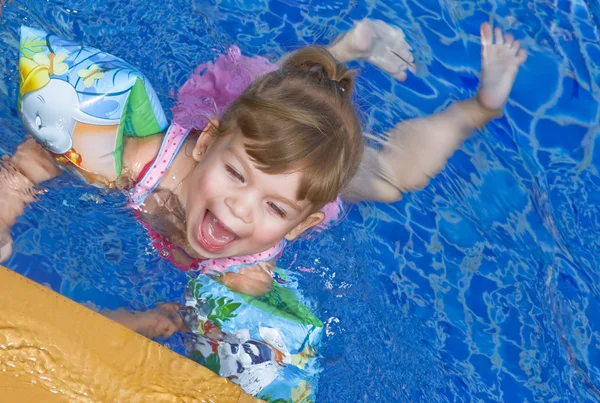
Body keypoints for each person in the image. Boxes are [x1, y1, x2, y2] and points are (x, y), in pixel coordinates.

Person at [0, 20, 526, 401]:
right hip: (246, 134)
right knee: (267, 108)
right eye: (234, 175)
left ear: (301, 227)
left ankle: (478, 108)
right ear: (203, 147)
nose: (238, 209)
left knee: (386, 179)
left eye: (273, 208)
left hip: (298, 176)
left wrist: (153, 320)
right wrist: (14, 194)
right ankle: (343, 48)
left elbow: (200, 326)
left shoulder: (246, 277)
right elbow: (39, 156)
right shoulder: (143, 163)